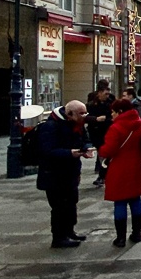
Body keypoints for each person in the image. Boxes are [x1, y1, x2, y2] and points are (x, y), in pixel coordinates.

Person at [36, 100, 94, 248]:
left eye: (85, 112)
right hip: (54, 173)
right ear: (69, 114)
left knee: (71, 201)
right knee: (59, 205)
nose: (85, 116)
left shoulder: (77, 125)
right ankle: (59, 237)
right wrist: (69, 153)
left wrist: (86, 148)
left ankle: (69, 231)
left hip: (71, 171)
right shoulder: (50, 126)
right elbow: (47, 151)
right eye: (81, 113)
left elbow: (85, 139)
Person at [98, 98, 141, 247]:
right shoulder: (140, 124)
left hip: (119, 168)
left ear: (120, 112)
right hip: (137, 166)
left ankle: (120, 238)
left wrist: (101, 150)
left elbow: (108, 150)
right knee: (135, 199)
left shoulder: (116, 127)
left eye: (113, 112)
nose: (111, 115)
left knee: (120, 201)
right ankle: (137, 233)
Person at [86, 80, 114, 187]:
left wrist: (107, 119)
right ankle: (103, 173)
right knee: (101, 153)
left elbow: (113, 115)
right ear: (99, 92)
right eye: (105, 93)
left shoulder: (111, 100)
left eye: (108, 93)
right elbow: (86, 116)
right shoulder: (92, 101)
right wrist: (95, 119)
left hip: (107, 130)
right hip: (96, 132)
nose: (107, 96)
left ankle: (102, 175)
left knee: (104, 154)